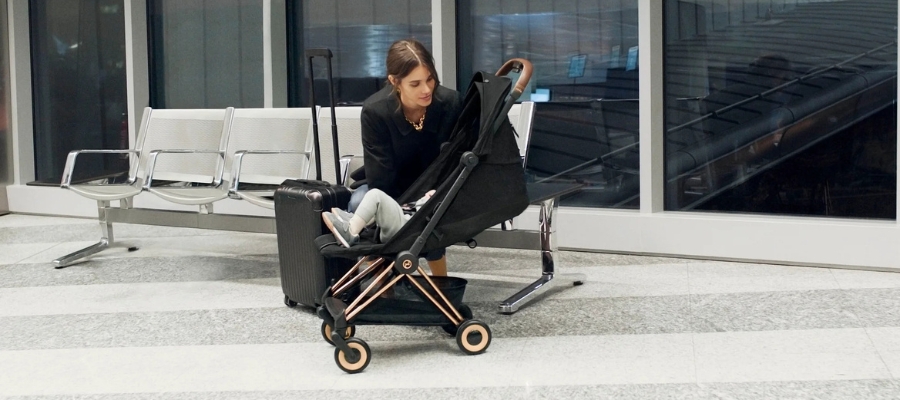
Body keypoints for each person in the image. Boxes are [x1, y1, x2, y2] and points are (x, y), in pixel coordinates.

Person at [348, 38, 462, 276]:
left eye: (430, 79)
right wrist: (404, 208)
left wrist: (433, 194)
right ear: (394, 81)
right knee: (359, 202)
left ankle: (440, 282)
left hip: (435, 187)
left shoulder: (450, 103)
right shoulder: (376, 111)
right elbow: (380, 178)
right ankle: (383, 280)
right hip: (390, 185)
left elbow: (455, 159)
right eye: (415, 84)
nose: (426, 90)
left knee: (435, 208)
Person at [322, 188, 435, 248]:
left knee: (376, 195)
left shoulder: (444, 197)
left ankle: (350, 232)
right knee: (378, 205)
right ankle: (354, 222)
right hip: (409, 223)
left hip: (408, 229)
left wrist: (431, 197)